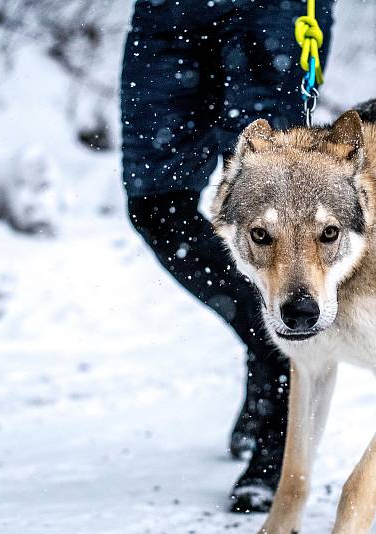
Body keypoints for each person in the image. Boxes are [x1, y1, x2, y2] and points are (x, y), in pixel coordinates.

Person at [120, 0, 334, 513]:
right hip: (167, 15)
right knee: (154, 203)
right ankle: (265, 346)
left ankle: (280, 435)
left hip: (273, 13)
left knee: (277, 203)